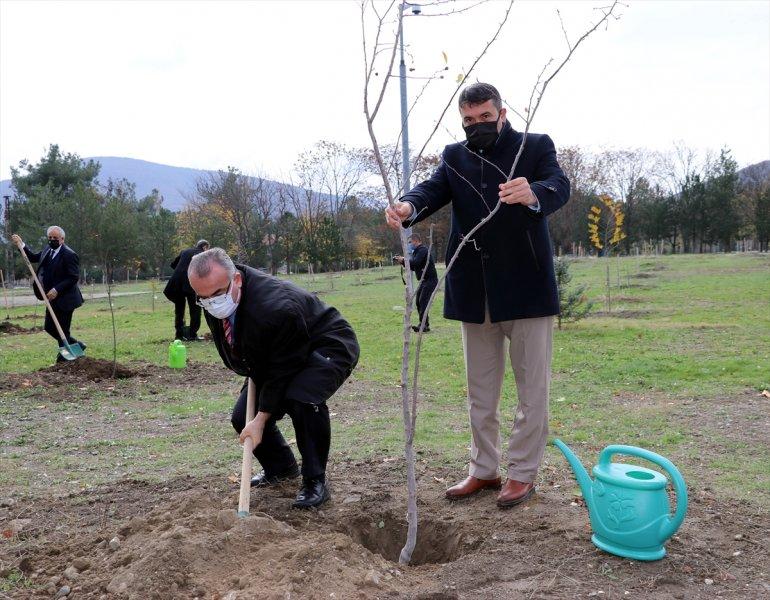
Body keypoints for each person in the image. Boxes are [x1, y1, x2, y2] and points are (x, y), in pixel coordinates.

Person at [385, 82, 570, 508]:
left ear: (502, 114)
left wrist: (535, 194)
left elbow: (559, 184)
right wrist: (408, 207)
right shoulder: (455, 156)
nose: (477, 126)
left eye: (485, 117)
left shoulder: (534, 147)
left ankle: (522, 474)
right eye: (469, 120)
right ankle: (483, 470)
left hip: (527, 289)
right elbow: (431, 191)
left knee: (532, 392)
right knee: (480, 393)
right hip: (475, 291)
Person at [188, 248, 360, 509]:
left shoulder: (276, 308)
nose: (211, 303)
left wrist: (262, 416)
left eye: (216, 295)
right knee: (241, 418)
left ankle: (315, 481)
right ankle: (281, 468)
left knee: (302, 400)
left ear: (236, 280)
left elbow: (285, 367)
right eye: (204, 298)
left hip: (325, 343)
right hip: (275, 352)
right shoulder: (219, 299)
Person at [11, 227, 85, 361]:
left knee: (62, 329)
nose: (51, 240)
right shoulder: (47, 250)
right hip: (51, 298)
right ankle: (77, 345)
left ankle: (64, 360)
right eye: (49, 238)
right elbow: (33, 257)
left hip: (66, 299)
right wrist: (21, 245)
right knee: (50, 327)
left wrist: (57, 289)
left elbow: (73, 277)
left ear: (62, 239)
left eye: (54, 238)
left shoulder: (69, 255)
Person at [163, 239, 209, 341]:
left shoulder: (185, 251)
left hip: (177, 283)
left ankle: (179, 335)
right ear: (205, 247)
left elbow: (173, 264)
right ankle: (192, 334)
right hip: (191, 284)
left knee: (179, 310)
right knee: (195, 309)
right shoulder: (203, 255)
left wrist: (182, 270)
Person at [394, 232, 438, 332]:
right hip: (423, 281)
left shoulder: (422, 250)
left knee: (423, 302)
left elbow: (416, 262)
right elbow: (414, 266)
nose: (409, 245)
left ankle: (424, 326)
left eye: (410, 242)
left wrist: (404, 260)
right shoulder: (417, 252)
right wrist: (403, 262)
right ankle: (423, 325)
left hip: (430, 280)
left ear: (415, 241)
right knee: (418, 302)